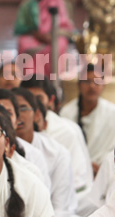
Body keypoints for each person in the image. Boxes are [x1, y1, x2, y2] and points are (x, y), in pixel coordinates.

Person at [11, 87, 79, 217]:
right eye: (11, 110)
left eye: (23, 108)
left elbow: (59, 206)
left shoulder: (56, 152)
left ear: (38, 115)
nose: (17, 115)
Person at [20, 75, 93, 205]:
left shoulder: (65, 131)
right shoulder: (16, 129)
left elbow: (78, 180)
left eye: (38, 99)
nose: (33, 104)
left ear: (50, 100)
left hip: (71, 199)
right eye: (27, 100)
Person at [59, 64, 115, 175]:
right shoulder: (66, 113)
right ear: (79, 85)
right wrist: (83, 165)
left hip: (106, 172)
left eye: (97, 82)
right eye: (87, 82)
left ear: (104, 85)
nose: (92, 86)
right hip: (73, 172)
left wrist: (103, 166)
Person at [14, 0, 74, 76]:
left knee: (59, 45)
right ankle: (31, 80)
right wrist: (38, 35)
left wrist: (52, 35)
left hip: (54, 35)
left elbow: (64, 25)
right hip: (34, 35)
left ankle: (55, 80)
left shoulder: (58, 2)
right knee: (24, 43)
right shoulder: (28, 3)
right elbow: (22, 25)